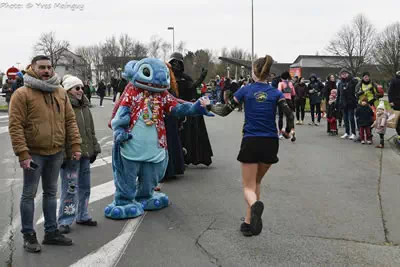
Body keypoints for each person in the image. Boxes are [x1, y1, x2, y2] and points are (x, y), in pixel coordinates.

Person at [105, 58, 213, 220]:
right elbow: (121, 114)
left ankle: (145, 196)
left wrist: (196, 108)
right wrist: (119, 130)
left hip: (154, 147)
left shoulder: (162, 95)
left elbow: (177, 106)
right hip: (131, 144)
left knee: (152, 173)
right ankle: (123, 201)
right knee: (127, 174)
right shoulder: (132, 92)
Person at [208, 55, 294, 236]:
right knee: (256, 182)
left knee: (248, 187)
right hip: (271, 142)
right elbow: (289, 113)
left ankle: (254, 207)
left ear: (254, 72)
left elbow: (224, 110)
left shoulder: (245, 90)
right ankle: (249, 223)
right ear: (268, 75)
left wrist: (209, 106)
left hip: (251, 141)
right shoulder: (276, 93)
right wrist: (287, 131)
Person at [8, 55, 81, 253]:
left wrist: (75, 145)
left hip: (56, 152)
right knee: (29, 194)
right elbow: (15, 126)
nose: (47, 70)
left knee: (51, 193)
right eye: (42, 67)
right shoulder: (22, 94)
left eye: (49, 67)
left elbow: (70, 121)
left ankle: (51, 232)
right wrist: (23, 154)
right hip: (34, 154)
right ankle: (29, 235)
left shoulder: (59, 92)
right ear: (32, 68)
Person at [58, 75, 101, 234]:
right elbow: (60, 133)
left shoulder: (85, 107)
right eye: (77, 88)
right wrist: (62, 154)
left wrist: (94, 149)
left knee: (85, 187)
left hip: (85, 154)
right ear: (68, 90)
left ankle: (82, 215)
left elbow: (91, 130)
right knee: (69, 189)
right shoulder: (63, 107)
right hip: (71, 156)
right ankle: (64, 220)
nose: (81, 91)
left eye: (82, 88)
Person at [169, 52, 213, 166]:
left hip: (184, 107)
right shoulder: (165, 77)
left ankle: (187, 157)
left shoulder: (185, 78)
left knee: (187, 133)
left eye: (179, 63)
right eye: (174, 63)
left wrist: (201, 78)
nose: (176, 66)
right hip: (170, 107)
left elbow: (192, 87)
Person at [337, 69, 358, 140]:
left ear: (348, 74)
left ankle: (353, 133)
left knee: (351, 118)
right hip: (343, 103)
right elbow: (339, 94)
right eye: (342, 74)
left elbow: (357, 87)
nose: (344, 75)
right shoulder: (340, 83)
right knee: (345, 119)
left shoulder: (352, 81)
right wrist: (338, 103)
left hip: (351, 103)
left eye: (345, 73)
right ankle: (347, 132)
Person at [277, 71, 296, 139]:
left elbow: (278, 92)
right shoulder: (291, 83)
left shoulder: (281, 83)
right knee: (290, 117)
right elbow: (293, 93)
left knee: (281, 117)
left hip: (282, 101)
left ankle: (280, 133)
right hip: (289, 101)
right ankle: (292, 131)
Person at [388, 70, 400, 141]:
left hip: (396, 103)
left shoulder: (393, 80)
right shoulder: (394, 81)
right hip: (396, 103)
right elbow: (390, 92)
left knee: (398, 119)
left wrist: (391, 101)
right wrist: (391, 101)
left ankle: (399, 133)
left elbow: (390, 92)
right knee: (397, 119)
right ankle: (399, 133)